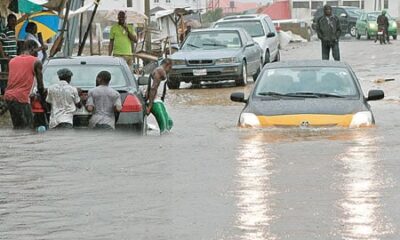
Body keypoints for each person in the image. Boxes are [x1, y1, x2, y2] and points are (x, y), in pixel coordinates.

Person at [4, 40, 44, 129]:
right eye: (37, 51)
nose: (37, 54)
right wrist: (44, 102)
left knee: (18, 127)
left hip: (9, 97)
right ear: (32, 48)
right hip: (21, 98)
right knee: (28, 128)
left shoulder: (12, 60)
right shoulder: (36, 61)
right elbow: (40, 86)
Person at [146, 58, 173, 134]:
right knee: (164, 129)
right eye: (170, 68)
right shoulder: (160, 71)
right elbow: (153, 88)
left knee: (170, 123)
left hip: (158, 101)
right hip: (155, 102)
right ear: (167, 65)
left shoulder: (160, 70)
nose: (170, 70)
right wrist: (150, 107)